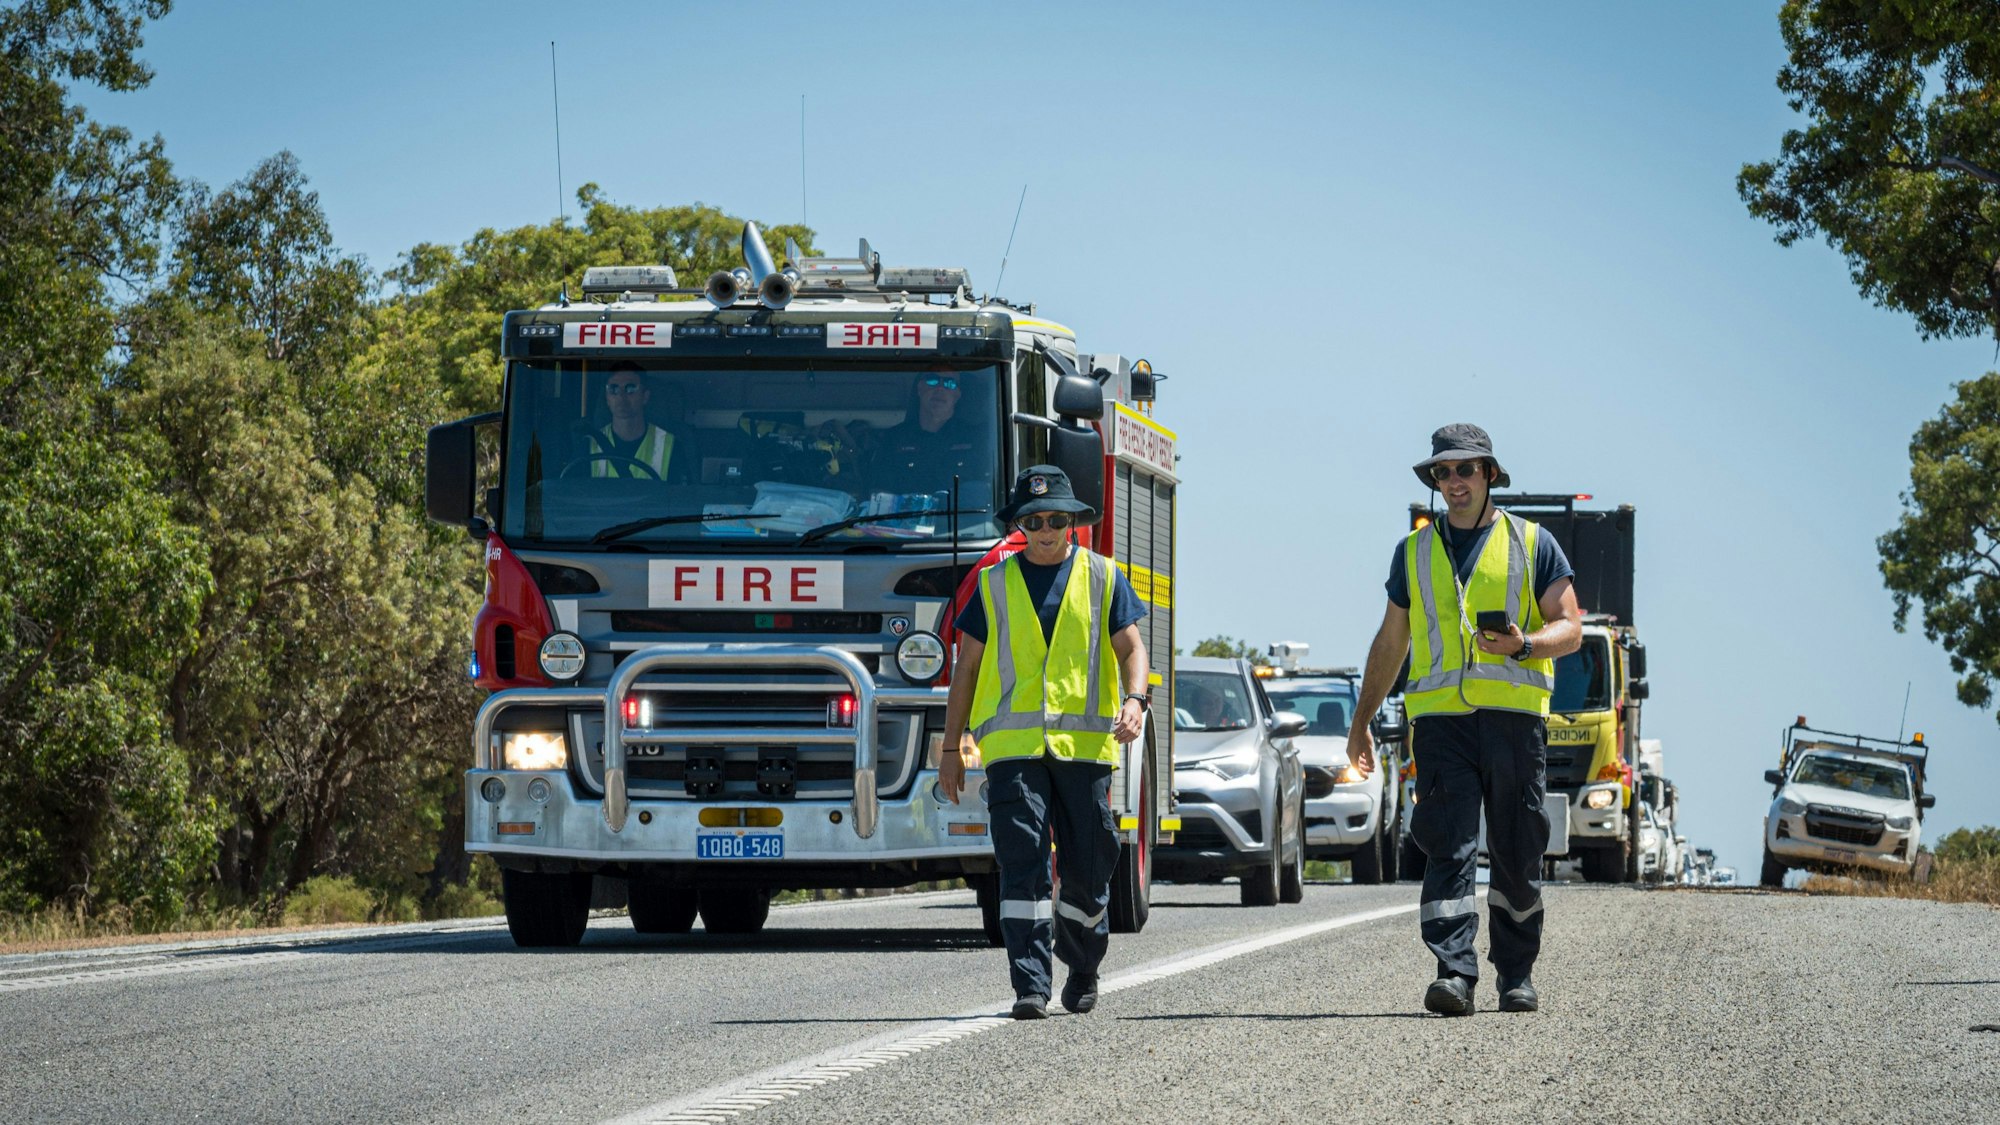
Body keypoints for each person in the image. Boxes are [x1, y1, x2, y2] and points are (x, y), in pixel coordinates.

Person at [1345, 423, 1583, 1017]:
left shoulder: (1533, 543)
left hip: (1514, 722)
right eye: (1442, 472)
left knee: (1515, 850)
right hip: (1441, 724)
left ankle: (1516, 975)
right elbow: (1391, 641)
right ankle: (1454, 971)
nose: (1453, 481)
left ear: (1490, 475)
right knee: (1447, 845)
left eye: (1465, 470)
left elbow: (1572, 627)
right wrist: (1361, 720)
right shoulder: (1414, 553)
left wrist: (1524, 643)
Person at [938, 465, 1150, 1020]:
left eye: (1057, 518)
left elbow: (1133, 649)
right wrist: (948, 747)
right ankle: (1029, 984)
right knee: (1022, 864)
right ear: (1020, 526)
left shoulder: (1104, 576)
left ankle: (1082, 966)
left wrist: (1135, 700)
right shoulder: (992, 585)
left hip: (1084, 752)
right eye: (1034, 519)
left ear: (1073, 521)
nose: (1047, 528)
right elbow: (966, 670)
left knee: (1086, 867)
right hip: (1012, 752)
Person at [868, 366, 982, 491]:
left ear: (957, 395)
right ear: (919, 388)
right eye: (932, 380)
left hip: (958, 510)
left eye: (950, 383)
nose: (940, 388)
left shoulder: (976, 439)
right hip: (906, 510)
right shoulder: (893, 439)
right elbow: (879, 493)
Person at [588, 361, 685, 480]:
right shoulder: (589, 445)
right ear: (607, 398)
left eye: (630, 388)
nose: (621, 396)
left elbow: (681, 496)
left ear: (645, 396)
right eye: (613, 389)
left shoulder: (671, 446)